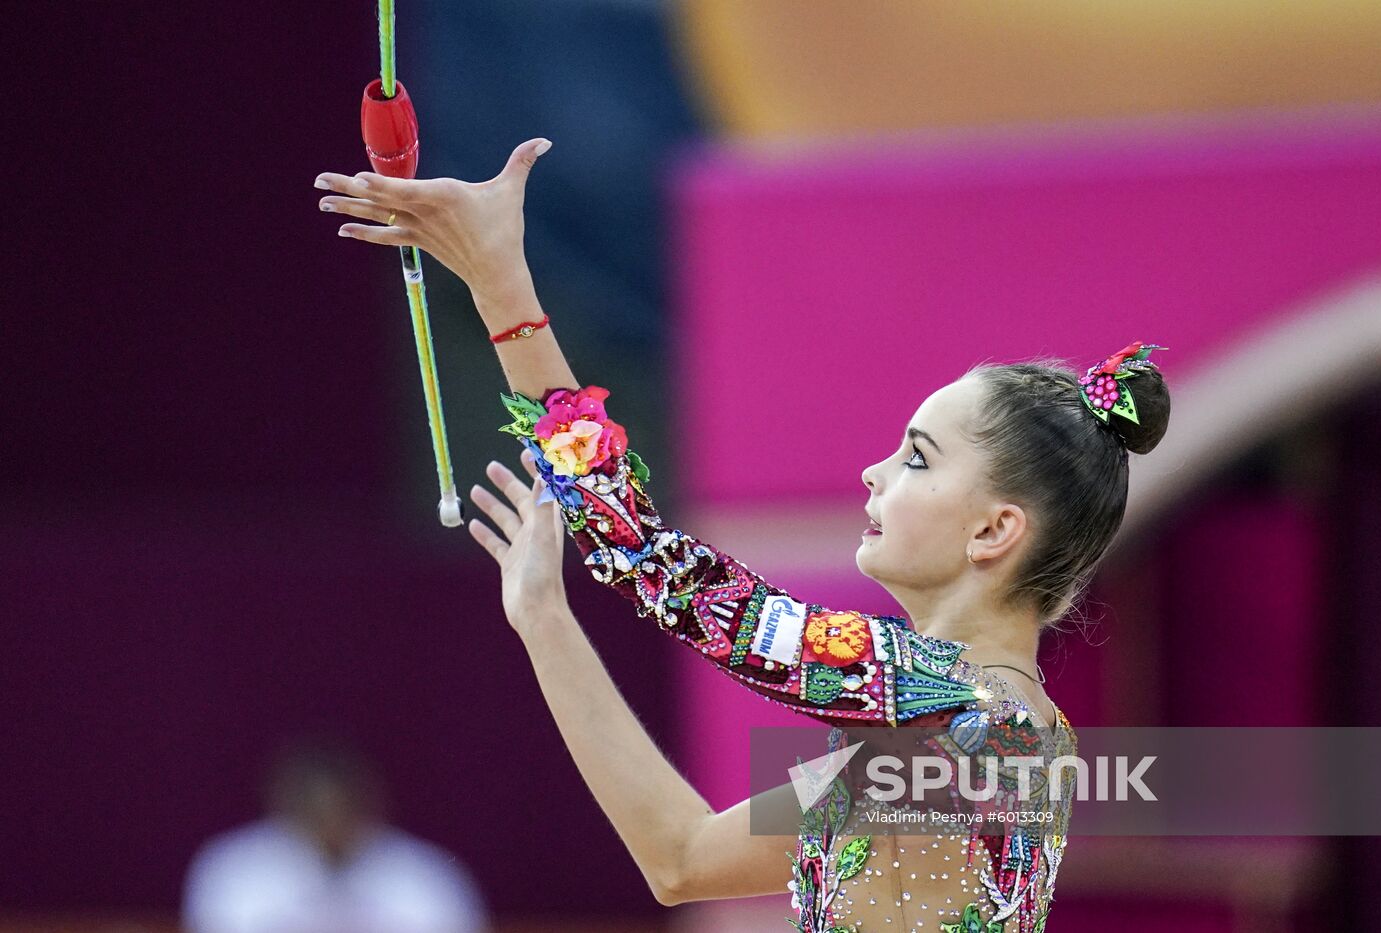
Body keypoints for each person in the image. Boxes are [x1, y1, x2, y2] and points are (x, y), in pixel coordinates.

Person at [313, 139, 1171, 931]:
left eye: (916, 458)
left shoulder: (945, 705)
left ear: (994, 529)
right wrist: (544, 616)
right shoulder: (981, 741)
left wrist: (502, 286)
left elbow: (654, 562)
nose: (874, 473)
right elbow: (678, 857)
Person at [182, 736, 489, 933]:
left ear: (369, 804)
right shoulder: (232, 869)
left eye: (341, 809)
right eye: (315, 811)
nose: (330, 825)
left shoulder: (424, 874)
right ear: (285, 805)